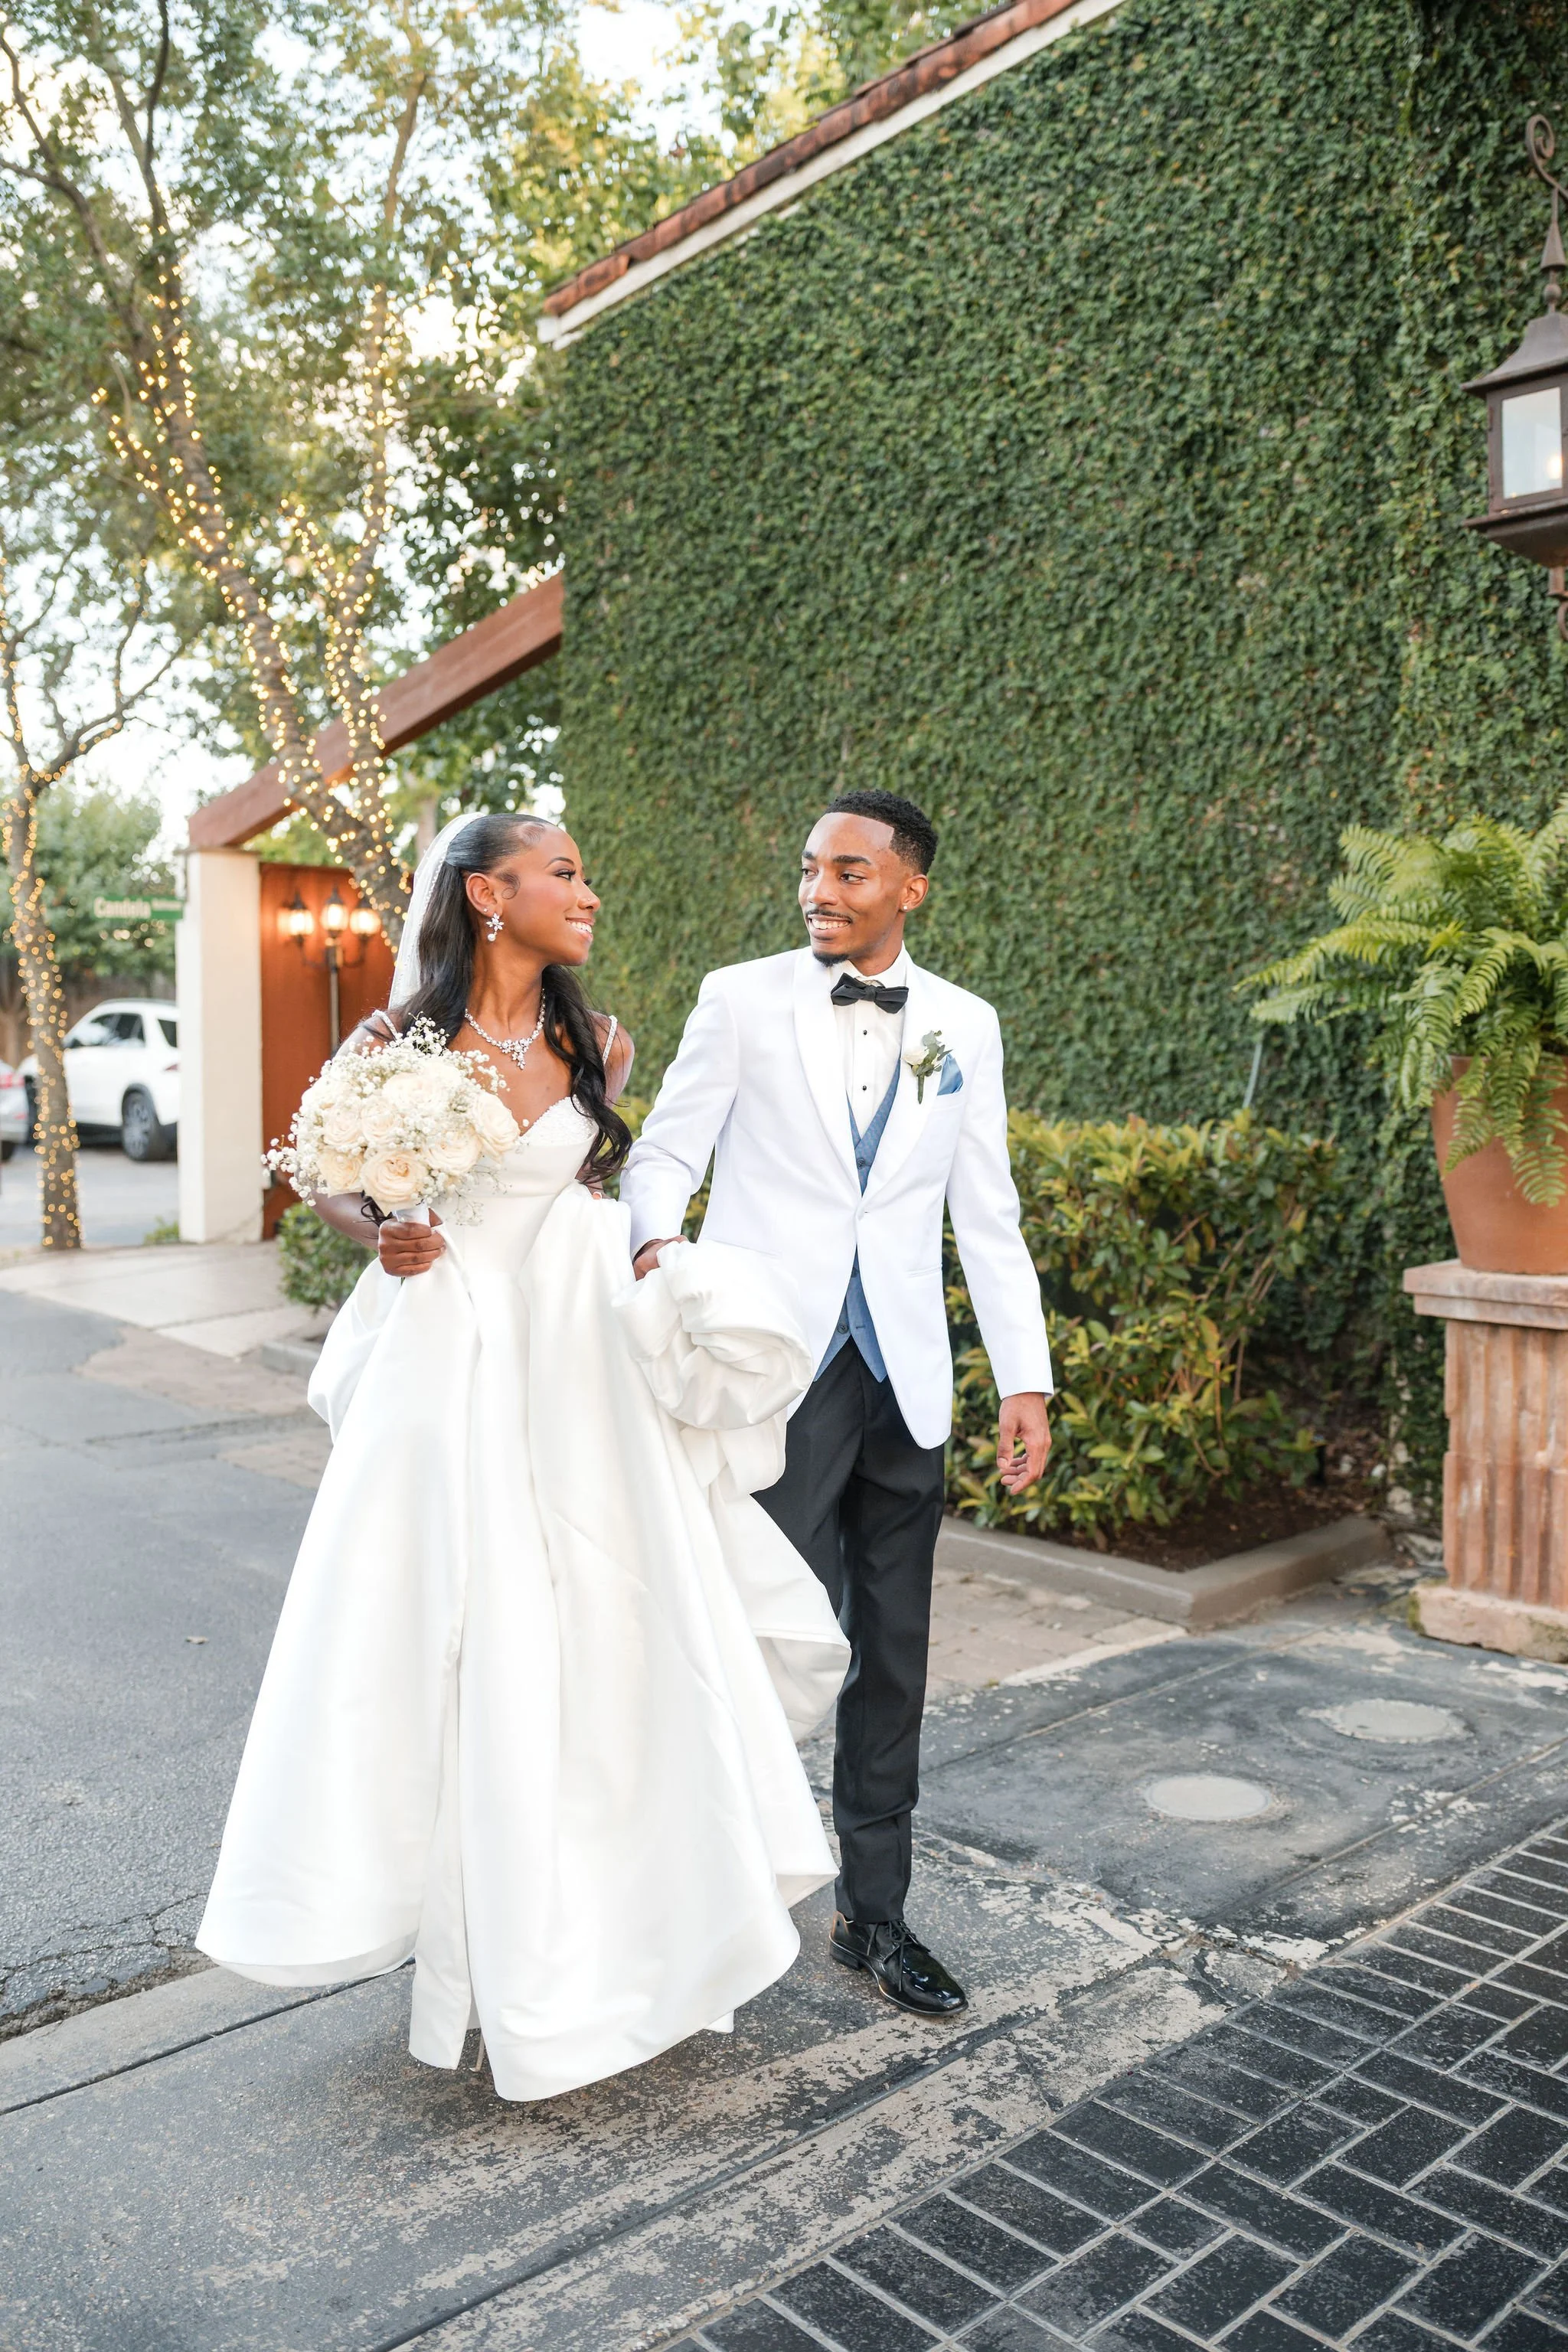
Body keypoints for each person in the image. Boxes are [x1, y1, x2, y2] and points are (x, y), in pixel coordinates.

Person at [196, 812, 848, 2103]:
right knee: (458, 1628)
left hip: (578, 1359)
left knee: (610, 1631)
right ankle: (485, 1945)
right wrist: (375, 1231)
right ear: (490, 896)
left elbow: (598, 1188)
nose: (587, 892)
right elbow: (334, 1172)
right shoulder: (399, 1043)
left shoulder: (595, 1042)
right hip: (452, 1354)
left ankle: (622, 1934)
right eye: (565, 873)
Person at [621, 789, 1052, 2018]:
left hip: (905, 1383)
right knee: (748, 1646)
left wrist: (1023, 1378)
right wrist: (659, 1255)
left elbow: (989, 1213)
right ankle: (703, 1910)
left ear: (908, 887)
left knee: (892, 1663)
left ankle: (877, 1917)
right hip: (776, 1379)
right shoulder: (740, 998)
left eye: (851, 873)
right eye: (812, 869)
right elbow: (666, 1156)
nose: (820, 890)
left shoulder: (963, 1023)